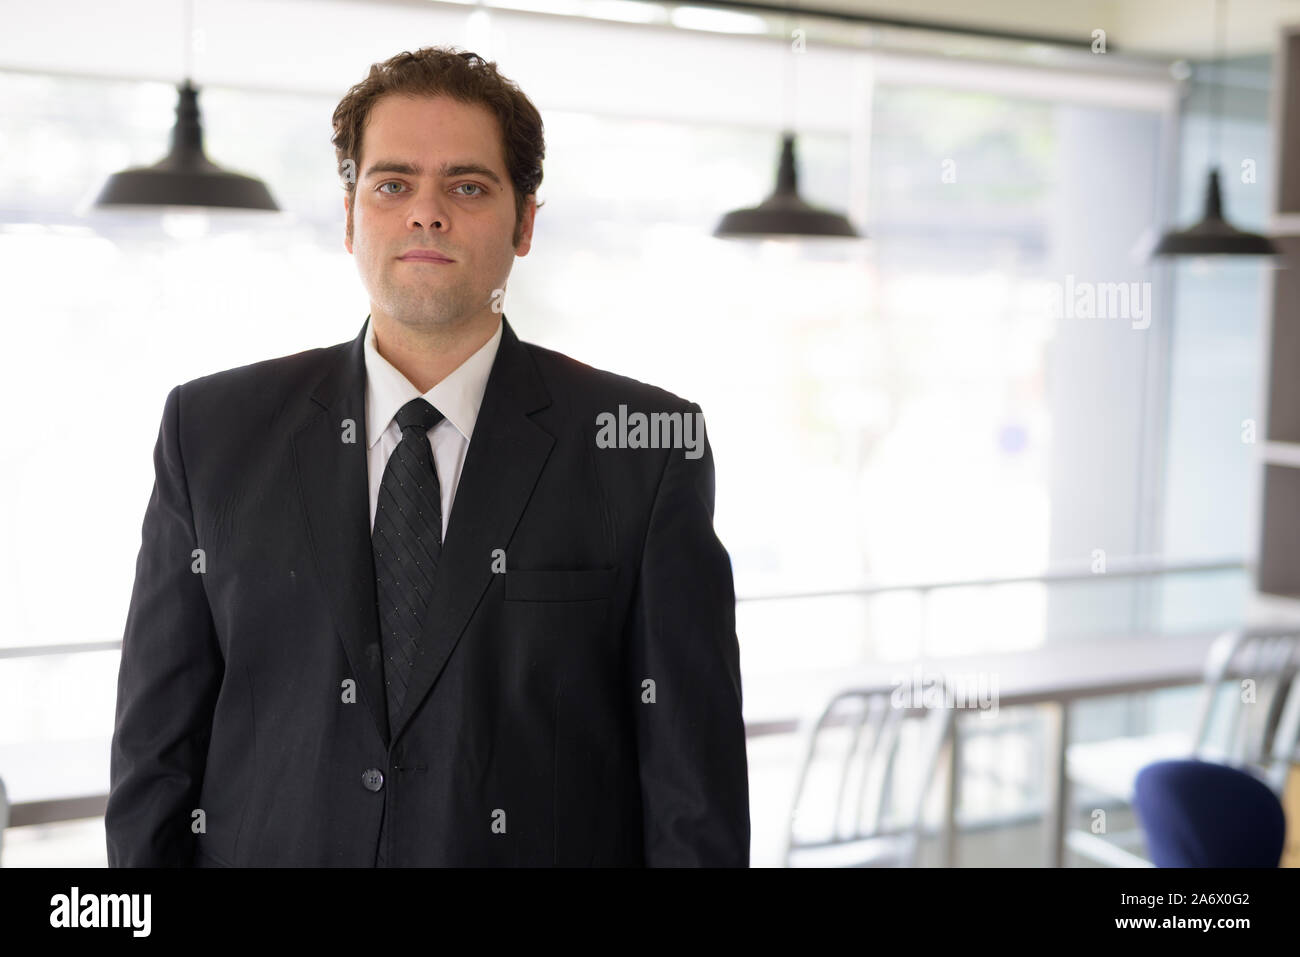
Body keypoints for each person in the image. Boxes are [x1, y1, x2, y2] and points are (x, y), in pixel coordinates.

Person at [105, 46, 750, 867]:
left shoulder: (645, 446)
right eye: (392, 183)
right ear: (350, 218)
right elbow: (154, 758)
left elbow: (694, 793)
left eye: (468, 186)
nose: (427, 213)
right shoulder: (209, 431)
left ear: (524, 224)